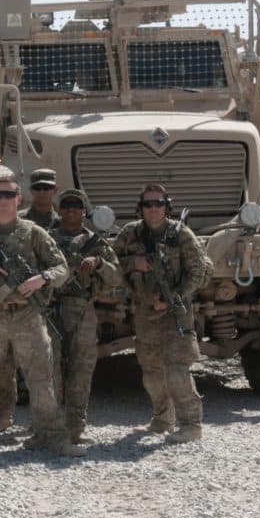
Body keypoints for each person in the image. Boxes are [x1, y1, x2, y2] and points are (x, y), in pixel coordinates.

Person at [0, 168, 85, 461]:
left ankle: (54, 438)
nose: (4, 200)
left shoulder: (34, 233)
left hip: (27, 315)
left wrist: (43, 278)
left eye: (10, 194)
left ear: (19, 198)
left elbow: (62, 269)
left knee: (41, 379)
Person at [113, 183, 211, 443]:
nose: (153, 209)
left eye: (158, 204)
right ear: (140, 208)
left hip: (175, 311)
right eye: (148, 204)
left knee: (177, 369)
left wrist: (173, 299)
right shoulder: (130, 234)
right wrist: (133, 264)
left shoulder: (181, 234)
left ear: (167, 207)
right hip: (144, 312)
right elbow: (110, 266)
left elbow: (199, 271)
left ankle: (191, 425)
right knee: (151, 371)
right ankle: (162, 419)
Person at [48, 188, 120, 444]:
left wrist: (99, 263)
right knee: (48, 369)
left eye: (76, 205)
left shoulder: (96, 243)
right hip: (50, 310)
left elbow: (116, 276)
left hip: (82, 310)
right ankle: (49, 429)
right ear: (59, 209)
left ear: (84, 211)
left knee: (82, 368)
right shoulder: (46, 238)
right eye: (65, 205)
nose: (70, 209)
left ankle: (75, 428)